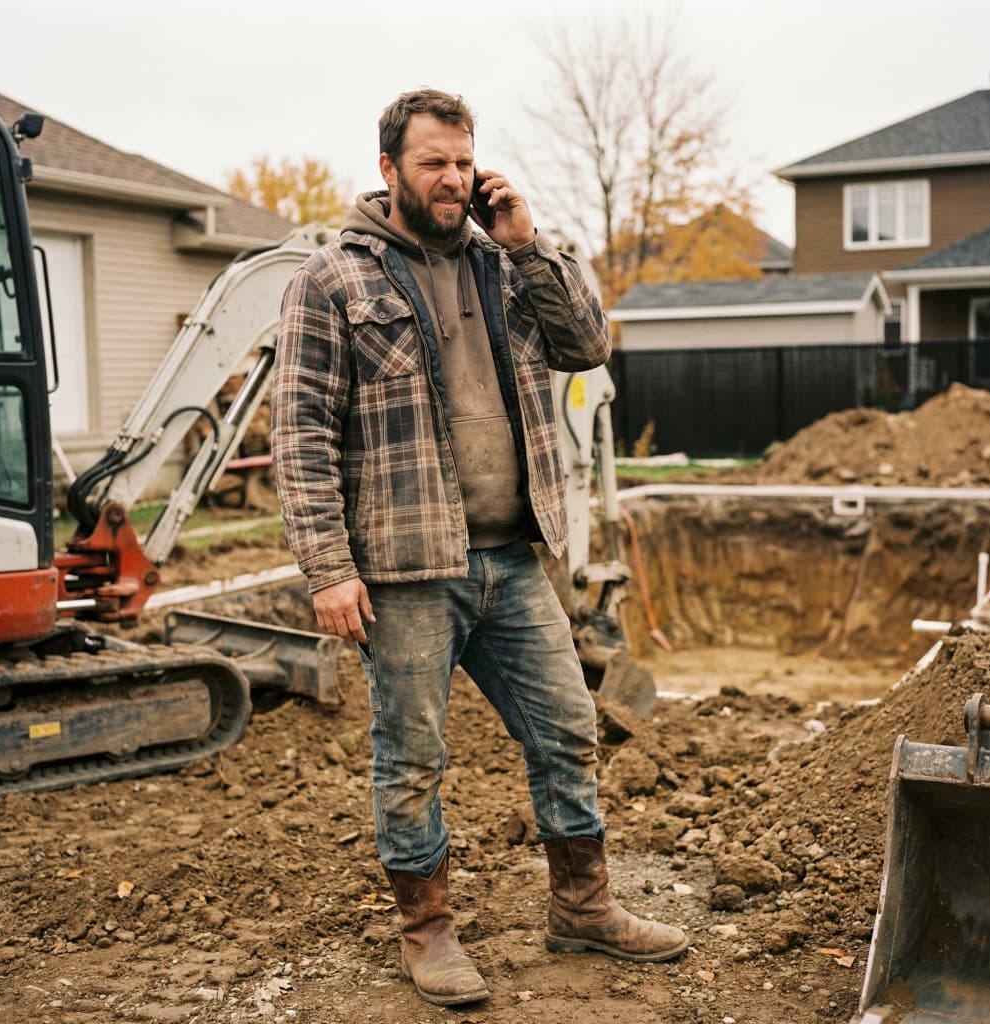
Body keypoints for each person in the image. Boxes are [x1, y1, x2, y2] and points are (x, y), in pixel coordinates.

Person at [271, 87, 688, 1007]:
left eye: (464, 160)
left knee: (569, 732)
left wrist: (530, 243)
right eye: (434, 164)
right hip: (408, 570)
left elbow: (586, 346)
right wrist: (329, 571)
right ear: (389, 170)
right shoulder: (333, 278)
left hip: (512, 556)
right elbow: (299, 435)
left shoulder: (506, 264)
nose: (454, 178)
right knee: (412, 759)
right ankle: (428, 932)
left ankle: (583, 907)